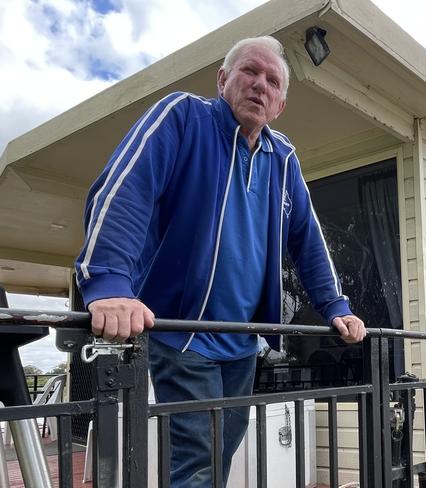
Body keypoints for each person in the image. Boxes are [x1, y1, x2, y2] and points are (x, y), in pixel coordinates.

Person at [74, 36, 365, 487]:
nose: (259, 85)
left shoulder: (283, 158)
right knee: (197, 462)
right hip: (183, 333)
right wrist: (110, 284)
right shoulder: (184, 117)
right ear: (222, 79)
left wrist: (336, 307)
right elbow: (125, 189)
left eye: (272, 81)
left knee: (221, 457)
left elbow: (309, 241)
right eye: (249, 72)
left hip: (242, 343)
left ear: (280, 104)